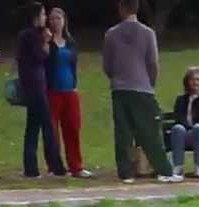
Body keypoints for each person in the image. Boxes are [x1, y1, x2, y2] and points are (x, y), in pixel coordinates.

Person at [102, 0, 180, 183]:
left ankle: (126, 172)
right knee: (150, 130)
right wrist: (150, 82)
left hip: (119, 88)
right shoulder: (147, 33)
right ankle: (164, 170)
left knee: (123, 132)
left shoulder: (111, 34)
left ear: (121, 9)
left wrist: (116, 78)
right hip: (142, 87)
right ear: (137, 9)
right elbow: (152, 62)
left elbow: (107, 64)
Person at [16, 2, 67, 178]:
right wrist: (46, 42)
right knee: (48, 126)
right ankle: (56, 166)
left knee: (32, 127)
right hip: (36, 86)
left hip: (31, 85)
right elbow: (40, 57)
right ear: (35, 17)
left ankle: (31, 168)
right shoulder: (31, 36)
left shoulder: (25, 35)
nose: (45, 19)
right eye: (43, 15)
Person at [46, 8, 92, 178]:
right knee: (52, 130)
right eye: (52, 19)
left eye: (58, 18)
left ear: (64, 20)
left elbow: (73, 65)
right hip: (52, 91)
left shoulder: (70, 42)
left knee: (72, 128)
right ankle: (55, 167)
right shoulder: (47, 42)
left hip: (70, 90)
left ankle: (76, 166)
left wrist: (74, 84)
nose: (55, 21)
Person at [170, 66, 199, 178]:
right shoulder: (181, 99)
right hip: (185, 132)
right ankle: (178, 167)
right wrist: (187, 129)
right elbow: (178, 117)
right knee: (177, 128)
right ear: (187, 82)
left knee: (198, 128)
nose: (195, 82)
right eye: (192, 79)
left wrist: (193, 129)